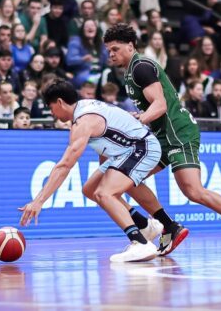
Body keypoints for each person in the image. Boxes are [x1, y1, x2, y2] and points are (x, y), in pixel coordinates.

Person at [103, 23, 221, 257]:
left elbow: (160, 105)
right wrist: (141, 117)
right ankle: (169, 227)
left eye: (115, 49)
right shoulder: (132, 70)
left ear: (130, 46)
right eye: (108, 50)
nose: (111, 54)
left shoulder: (141, 66)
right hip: (162, 135)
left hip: (179, 132)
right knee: (128, 178)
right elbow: (155, 106)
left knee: (193, 191)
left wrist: (140, 120)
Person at [19, 79, 163, 262]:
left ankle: (140, 243)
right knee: (90, 189)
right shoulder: (85, 106)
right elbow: (108, 138)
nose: (52, 113)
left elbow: (64, 166)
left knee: (104, 193)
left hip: (140, 147)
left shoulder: (82, 122)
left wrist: (38, 201)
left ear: (60, 102)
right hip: (126, 149)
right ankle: (146, 227)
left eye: (51, 107)